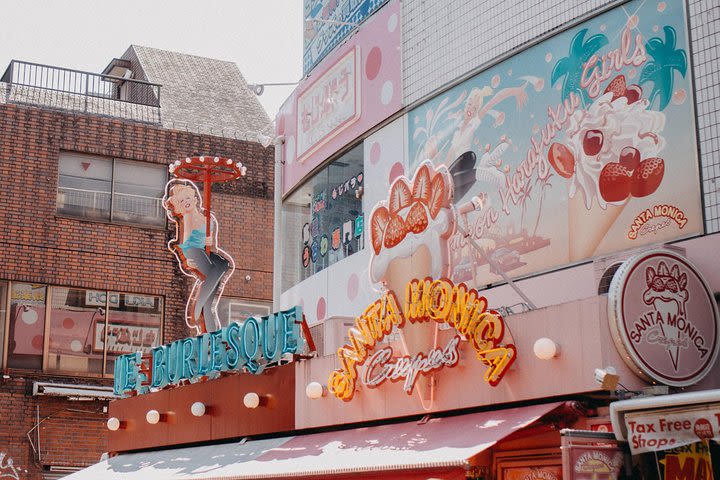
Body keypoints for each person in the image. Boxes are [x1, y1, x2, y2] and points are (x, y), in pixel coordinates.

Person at [163, 180, 233, 333]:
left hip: (204, 250)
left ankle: (207, 322)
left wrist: (207, 241)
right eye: (182, 201)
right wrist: (187, 260)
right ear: (180, 206)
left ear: (194, 199)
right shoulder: (187, 217)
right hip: (193, 251)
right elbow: (187, 239)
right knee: (214, 274)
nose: (185, 202)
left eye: (187, 198)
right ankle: (199, 306)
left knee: (223, 264)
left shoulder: (208, 219)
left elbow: (211, 242)